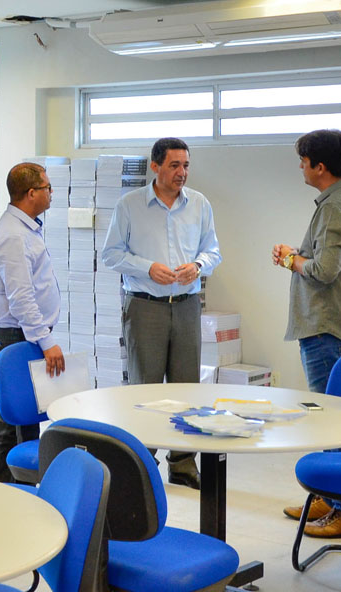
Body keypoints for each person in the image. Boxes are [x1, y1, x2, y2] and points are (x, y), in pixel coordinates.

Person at [101, 137, 222, 490]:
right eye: (174, 165)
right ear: (155, 166)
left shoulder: (199, 204)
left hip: (186, 306)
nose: (182, 172)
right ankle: (143, 463)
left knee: (187, 389)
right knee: (146, 389)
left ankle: (182, 464)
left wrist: (198, 265)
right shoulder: (129, 205)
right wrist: (147, 268)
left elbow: (213, 251)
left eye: (186, 165)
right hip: (144, 306)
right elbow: (111, 254)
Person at [271, 129, 341, 537]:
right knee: (333, 418)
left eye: (303, 161)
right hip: (333, 324)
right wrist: (298, 256)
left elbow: (325, 271)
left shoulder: (335, 206)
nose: (300, 167)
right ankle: (332, 498)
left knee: (337, 421)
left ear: (320, 166)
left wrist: (290, 261)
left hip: (328, 327)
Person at [0, 162, 65, 483]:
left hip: (21, 334)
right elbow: (21, 298)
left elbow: (14, 288)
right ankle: (5, 490)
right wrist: (47, 341)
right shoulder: (13, 235)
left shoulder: (24, 228)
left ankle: (24, 489)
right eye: (47, 187)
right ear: (31, 193)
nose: (51, 192)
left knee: (25, 422)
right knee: (11, 423)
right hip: (15, 338)